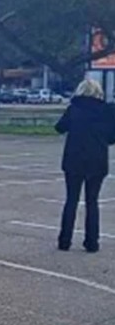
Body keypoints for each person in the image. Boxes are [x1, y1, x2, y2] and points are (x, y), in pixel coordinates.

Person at [55, 79, 115, 253]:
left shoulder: (74, 109)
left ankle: (64, 241)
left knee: (71, 200)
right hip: (97, 159)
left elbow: (59, 128)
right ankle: (91, 242)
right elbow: (112, 137)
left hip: (74, 158)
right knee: (92, 201)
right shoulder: (107, 111)